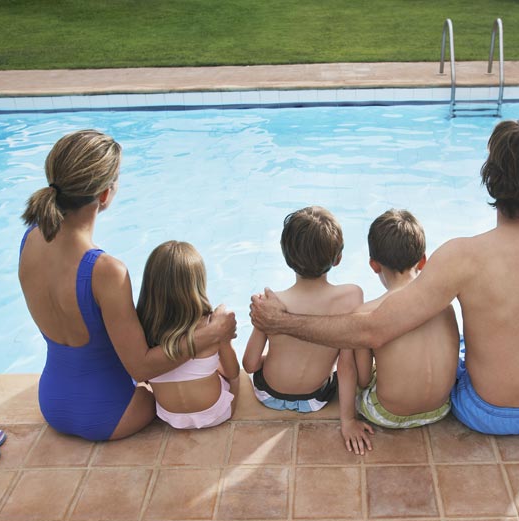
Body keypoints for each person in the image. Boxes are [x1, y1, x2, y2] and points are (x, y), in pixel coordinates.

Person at [251, 120, 519, 436]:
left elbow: (373, 329)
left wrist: (281, 323)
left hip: (487, 412)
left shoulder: (464, 256)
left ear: (492, 179)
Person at [19, 129, 236, 441]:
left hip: (51, 402)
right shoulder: (107, 271)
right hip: (110, 415)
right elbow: (142, 369)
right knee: (158, 396)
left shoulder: (30, 238)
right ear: (106, 193)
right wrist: (211, 334)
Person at [338, 209, 459, 453]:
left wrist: (349, 420)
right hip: (440, 409)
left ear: (374, 266)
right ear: (423, 261)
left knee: (348, 354)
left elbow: (362, 379)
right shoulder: (445, 306)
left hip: (386, 415)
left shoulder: (367, 313)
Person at [243, 206, 363, 413]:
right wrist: (349, 420)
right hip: (315, 400)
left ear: (286, 257)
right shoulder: (351, 298)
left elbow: (250, 365)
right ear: (338, 258)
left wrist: (273, 357)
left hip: (268, 395)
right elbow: (346, 365)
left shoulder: (270, 303)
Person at [137, 241, 240, 429]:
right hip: (216, 414)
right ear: (197, 283)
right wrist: (224, 341)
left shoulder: (141, 327)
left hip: (169, 416)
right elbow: (233, 372)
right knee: (230, 375)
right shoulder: (210, 325)